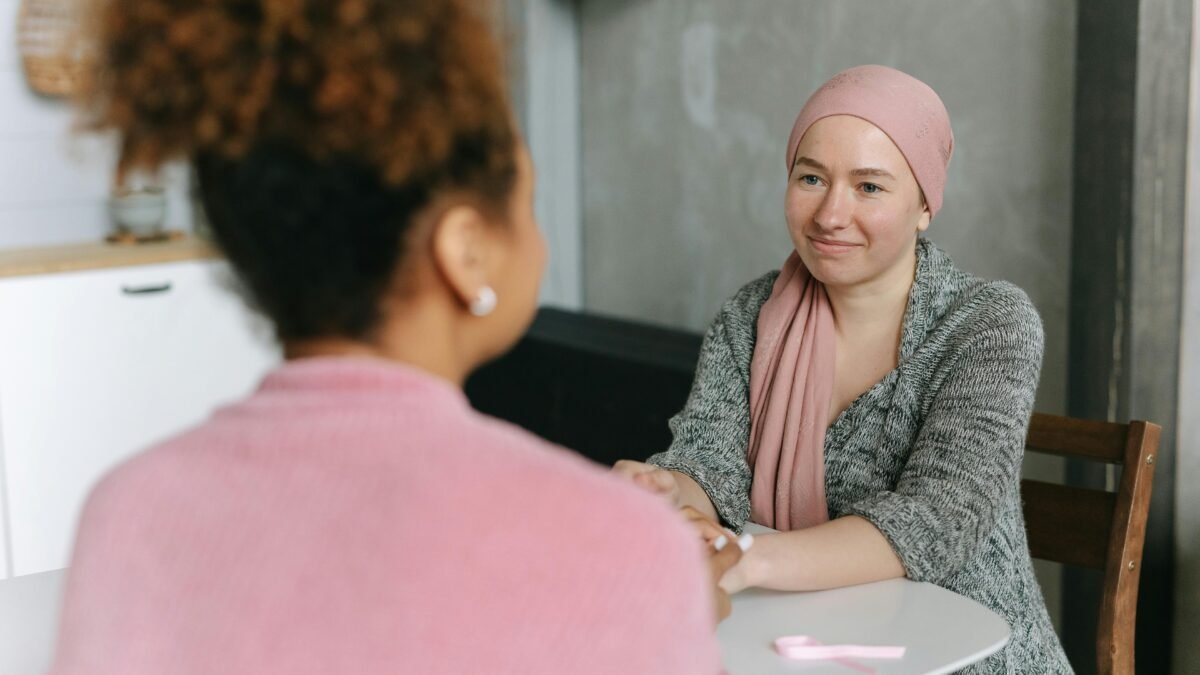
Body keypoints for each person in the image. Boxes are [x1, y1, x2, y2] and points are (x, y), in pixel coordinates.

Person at [49, 1, 737, 673]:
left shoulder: (128, 515)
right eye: (526, 201)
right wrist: (666, 607)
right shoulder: (624, 553)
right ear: (466, 252)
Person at [613, 64, 1072, 672]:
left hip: (965, 656)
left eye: (869, 187)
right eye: (811, 178)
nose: (831, 214)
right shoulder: (752, 314)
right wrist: (670, 489)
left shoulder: (987, 324)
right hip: (790, 645)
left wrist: (743, 558)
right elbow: (710, 462)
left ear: (924, 205)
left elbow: (934, 519)